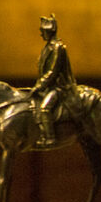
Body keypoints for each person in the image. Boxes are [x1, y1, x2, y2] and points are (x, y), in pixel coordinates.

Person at [31, 14, 78, 147]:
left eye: (43, 31)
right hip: (49, 87)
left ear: (49, 31)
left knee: (45, 108)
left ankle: (49, 137)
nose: (41, 34)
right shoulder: (47, 47)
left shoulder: (58, 48)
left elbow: (52, 72)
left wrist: (39, 86)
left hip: (59, 87)